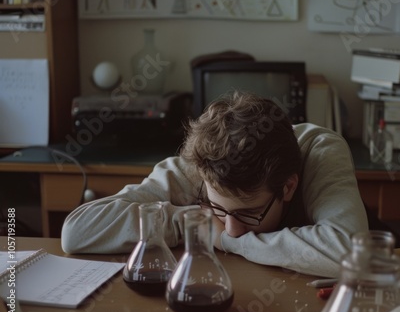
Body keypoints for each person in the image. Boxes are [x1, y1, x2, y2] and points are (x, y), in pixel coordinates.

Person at [61, 90, 368, 277]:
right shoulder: (196, 167)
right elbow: (77, 232)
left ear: (288, 187)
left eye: (249, 213)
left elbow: (353, 253)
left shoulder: (320, 150)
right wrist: (189, 223)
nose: (231, 227)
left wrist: (226, 241)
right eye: (216, 209)